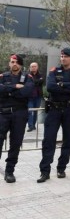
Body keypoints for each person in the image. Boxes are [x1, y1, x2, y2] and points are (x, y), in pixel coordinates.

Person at [37, 48, 70, 183]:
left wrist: (62, 85)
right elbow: (51, 87)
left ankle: (61, 168)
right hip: (54, 109)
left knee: (68, 140)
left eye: (66, 56)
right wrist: (68, 87)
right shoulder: (53, 72)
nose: (63, 58)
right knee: (48, 140)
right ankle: (44, 171)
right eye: (62, 56)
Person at [0, 54, 34, 183]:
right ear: (9, 63)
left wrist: (7, 91)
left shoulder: (28, 78)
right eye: (12, 62)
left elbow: (27, 92)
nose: (14, 64)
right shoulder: (3, 77)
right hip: (3, 114)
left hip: (19, 115)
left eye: (16, 62)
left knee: (15, 144)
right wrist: (14, 88)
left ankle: (9, 172)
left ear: (20, 64)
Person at [27, 62, 44, 132]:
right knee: (30, 111)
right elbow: (28, 83)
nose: (33, 68)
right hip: (29, 97)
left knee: (36, 112)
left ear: (37, 67)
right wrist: (36, 82)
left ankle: (33, 125)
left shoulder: (41, 75)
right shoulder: (27, 75)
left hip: (38, 96)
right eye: (32, 66)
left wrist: (33, 81)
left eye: (35, 66)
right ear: (30, 68)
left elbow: (41, 82)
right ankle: (30, 126)